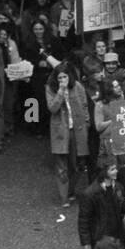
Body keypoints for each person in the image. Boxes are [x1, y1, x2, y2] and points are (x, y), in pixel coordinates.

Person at [45, 61, 90, 204]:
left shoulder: (77, 86)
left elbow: (85, 105)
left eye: (65, 77)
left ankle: (70, 190)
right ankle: (64, 197)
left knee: (77, 164)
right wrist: (60, 92)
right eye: (60, 78)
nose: (63, 80)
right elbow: (52, 108)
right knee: (61, 165)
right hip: (60, 131)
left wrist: (87, 124)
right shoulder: (50, 88)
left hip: (77, 131)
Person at [78, 161, 125, 249]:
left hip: (117, 235)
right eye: (112, 169)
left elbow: (122, 210)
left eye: (116, 168)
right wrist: (86, 242)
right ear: (104, 172)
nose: (116, 171)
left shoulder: (119, 187)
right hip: (100, 238)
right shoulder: (89, 194)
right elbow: (84, 219)